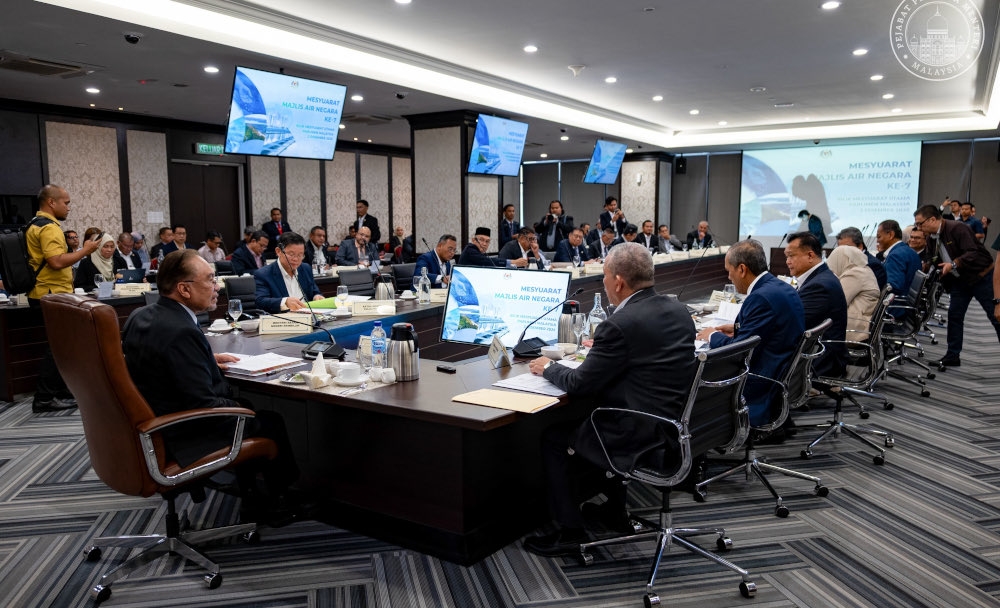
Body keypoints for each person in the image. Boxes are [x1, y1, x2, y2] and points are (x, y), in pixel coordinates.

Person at [522, 243, 696, 556]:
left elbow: (579, 383)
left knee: (553, 438)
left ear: (617, 281)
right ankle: (616, 513)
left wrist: (548, 366)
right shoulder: (677, 309)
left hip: (634, 431)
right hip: (669, 427)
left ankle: (570, 530)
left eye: (604, 276)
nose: (603, 282)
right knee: (602, 412)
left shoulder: (619, 324)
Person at [121, 250, 301, 520]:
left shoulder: (141, 315)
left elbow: (154, 361)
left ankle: (251, 493)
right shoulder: (182, 331)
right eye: (210, 280)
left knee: (246, 407)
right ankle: (280, 502)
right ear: (184, 289)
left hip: (151, 423)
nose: (217, 286)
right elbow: (203, 405)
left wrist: (203, 359)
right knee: (265, 418)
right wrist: (236, 407)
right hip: (182, 433)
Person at [696, 240, 804, 427]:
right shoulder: (779, 286)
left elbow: (738, 353)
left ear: (742, 269)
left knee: (695, 378)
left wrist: (712, 335)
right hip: (781, 368)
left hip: (760, 378)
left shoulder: (760, 297)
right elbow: (767, 329)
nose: (729, 277)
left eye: (729, 271)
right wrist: (737, 328)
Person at [27, 185, 101, 412]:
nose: (68, 207)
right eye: (66, 203)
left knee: (61, 346)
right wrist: (85, 250)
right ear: (51, 202)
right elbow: (56, 261)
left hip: (43, 292)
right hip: (52, 294)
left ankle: (58, 392)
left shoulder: (33, 223)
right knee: (57, 347)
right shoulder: (49, 228)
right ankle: (45, 398)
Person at [913, 204, 1000, 367]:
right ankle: (953, 356)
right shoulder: (931, 237)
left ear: (932, 219)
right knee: (954, 316)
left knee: (994, 315)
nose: (918, 227)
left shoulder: (958, 228)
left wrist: (953, 264)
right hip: (960, 281)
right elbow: (933, 259)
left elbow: (973, 252)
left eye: (920, 223)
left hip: (981, 277)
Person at [784, 231, 848, 378]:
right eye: (787, 256)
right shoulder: (820, 277)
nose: (787, 261)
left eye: (791, 256)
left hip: (821, 359)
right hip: (818, 351)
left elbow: (793, 326)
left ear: (810, 256)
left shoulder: (819, 285)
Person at [254, 232, 324, 313]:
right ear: (278, 251)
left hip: (309, 317)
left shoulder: (305, 268)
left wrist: (317, 296)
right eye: (291, 254)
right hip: (283, 321)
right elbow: (260, 301)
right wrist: (284, 302)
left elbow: (314, 291)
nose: (296, 259)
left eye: (300, 255)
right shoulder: (264, 274)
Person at [826, 245, 880, 342]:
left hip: (853, 329)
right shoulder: (864, 270)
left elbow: (837, 302)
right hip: (862, 324)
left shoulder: (855, 274)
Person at [876, 219, 922, 315]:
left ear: (890, 235)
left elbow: (892, 287)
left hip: (893, 310)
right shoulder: (909, 251)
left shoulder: (895, 255)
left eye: (879, 236)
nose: (877, 240)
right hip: (907, 308)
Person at [835, 227, 887, 291]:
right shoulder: (843, 261)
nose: (843, 252)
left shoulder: (873, 265)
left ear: (860, 246)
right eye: (840, 249)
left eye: (847, 248)